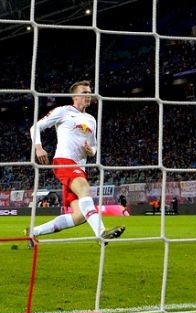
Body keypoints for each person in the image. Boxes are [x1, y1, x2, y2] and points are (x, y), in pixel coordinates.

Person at [26, 80, 125, 247]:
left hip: (80, 167)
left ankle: (34, 232)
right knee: (85, 190)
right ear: (75, 96)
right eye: (84, 93)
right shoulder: (63, 111)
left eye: (89, 92)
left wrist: (90, 150)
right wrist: (38, 147)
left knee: (79, 216)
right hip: (64, 161)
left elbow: (94, 147)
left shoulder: (91, 120)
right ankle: (101, 234)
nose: (88, 95)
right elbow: (35, 127)